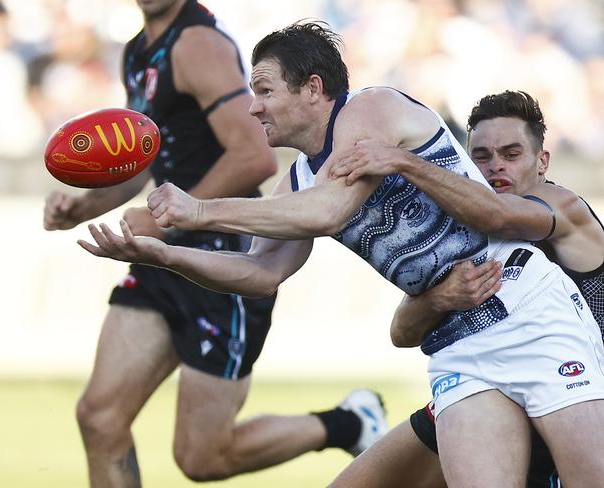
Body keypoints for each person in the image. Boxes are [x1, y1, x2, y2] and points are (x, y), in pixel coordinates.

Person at [78, 21, 604, 487]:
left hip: (526, 308)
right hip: (456, 345)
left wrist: (200, 212)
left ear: (313, 89)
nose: (253, 105)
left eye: (263, 90)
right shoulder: (298, 183)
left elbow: (329, 211)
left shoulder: (369, 109)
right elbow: (260, 273)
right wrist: (167, 256)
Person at [44, 5, 387, 486]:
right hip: (161, 256)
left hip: (222, 260)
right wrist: (83, 207)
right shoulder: (138, 50)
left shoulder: (196, 44)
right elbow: (144, 159)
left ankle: (349, 423)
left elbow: (253, 155)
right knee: (99, 416)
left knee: (201, 457)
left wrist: (167, 220)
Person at [327, 90, 604, 488]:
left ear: (542, 161)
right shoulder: (463, 226)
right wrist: (442, 297)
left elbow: (498, 214)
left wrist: (403, 160)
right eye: (482, 157)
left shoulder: (559, 206)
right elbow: (401, 332)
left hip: (574, 392)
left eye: (511, 154)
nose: (496, 169)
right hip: (485, 392)